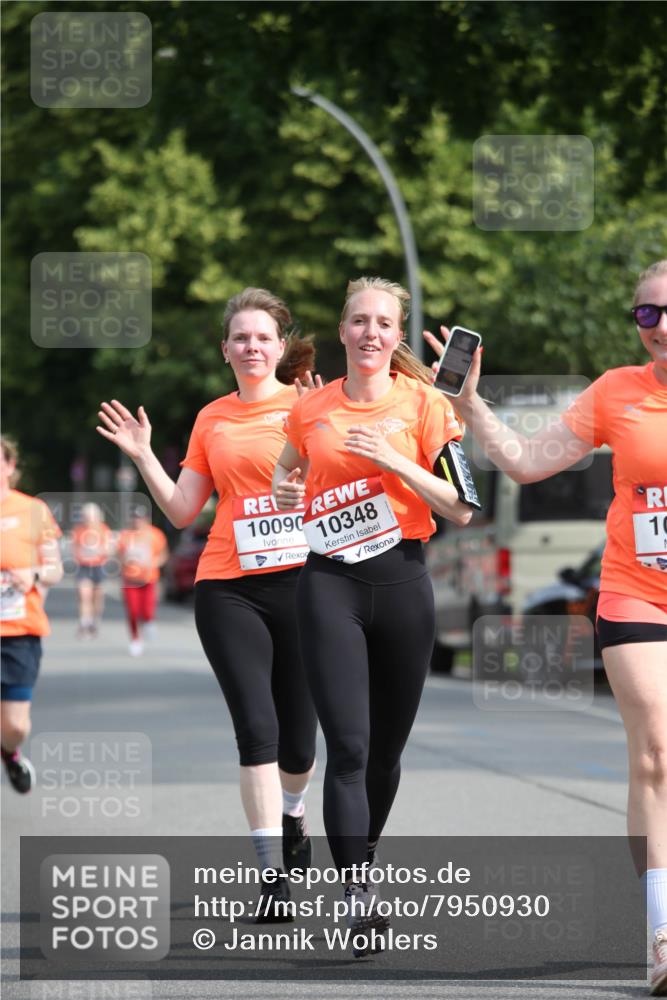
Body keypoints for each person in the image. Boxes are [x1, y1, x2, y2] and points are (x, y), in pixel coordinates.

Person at [423, 259, 667, 996]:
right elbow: (527, 462)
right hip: (635, 595)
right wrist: (469, 406)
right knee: (656, 750)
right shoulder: (614, 392)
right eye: (644, 315)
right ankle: (661, 934)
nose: (657, 327)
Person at [97, 287, 319, 917]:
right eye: (240, 338)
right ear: (226, 350)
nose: (252, 347)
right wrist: (143, 455)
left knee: (300, 747)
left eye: (263, 338)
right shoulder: (211, 418)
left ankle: (295, 810)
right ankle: (272, 879)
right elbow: (182, 510)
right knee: (257, 731)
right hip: (228, 585)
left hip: (304, 584)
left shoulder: (309, 407)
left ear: (281, 347)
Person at [273, 276, 473, 953]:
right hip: (329, 584)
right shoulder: (310, 410)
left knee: (386, 753)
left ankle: (361, 858)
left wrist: (394, 460)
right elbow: (284, 479)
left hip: (404, 582)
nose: (370, 333)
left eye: (383, 323)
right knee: (350, 749)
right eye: (358, 321)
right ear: (341, 330)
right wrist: (284, 486)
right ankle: (358, 896)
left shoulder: (425, 405)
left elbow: (460, 505)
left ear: (395, 334)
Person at [1, 435, 63, 793]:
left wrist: (35, 574)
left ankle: (9, 753)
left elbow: (54, 569)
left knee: (15, 727)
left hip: (19, 632)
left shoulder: (32, 511)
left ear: (10, 466)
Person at [116, 506, 168, 656]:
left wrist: (153, 563)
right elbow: (118, 555)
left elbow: (163, 555)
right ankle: (135, 640)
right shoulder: (125, 535)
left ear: (146, 519)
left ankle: (149, 622)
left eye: (140, 518)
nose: (137, 521)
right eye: (135, 517)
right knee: (132, 611)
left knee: (147, 610)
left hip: (149, 578)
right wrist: (124, 560)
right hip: (130, 579)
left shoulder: (155, 534)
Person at [72, 501, 113, 638]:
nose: (88, 519)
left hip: (98, 566)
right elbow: (75, 549)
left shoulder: (103, 529)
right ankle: (84, 622)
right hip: (84, 566)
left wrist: (98, 550)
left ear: (97, 517)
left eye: (91, 516)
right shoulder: (79, 530)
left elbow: (109, 548)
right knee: (84, 595)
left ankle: (95, 620)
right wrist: (81, 554)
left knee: (98, 596)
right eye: (86, 516)